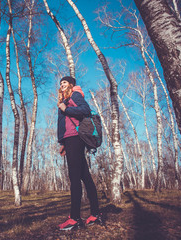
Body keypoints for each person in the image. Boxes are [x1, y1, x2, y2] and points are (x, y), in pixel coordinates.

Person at [57, 76, 102, 231]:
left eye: (64, 82)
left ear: (71, 84)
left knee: (74, 177)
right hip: (69, 140)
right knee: (85, 176)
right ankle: (95, 214)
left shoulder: (75, 94)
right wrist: (62, 142)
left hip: (75, 138)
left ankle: (75, 218)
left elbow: (85, 110)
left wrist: (66, 109)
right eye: (60, 83)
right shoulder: (65, 98)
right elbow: (64, 123)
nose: (62, 85)